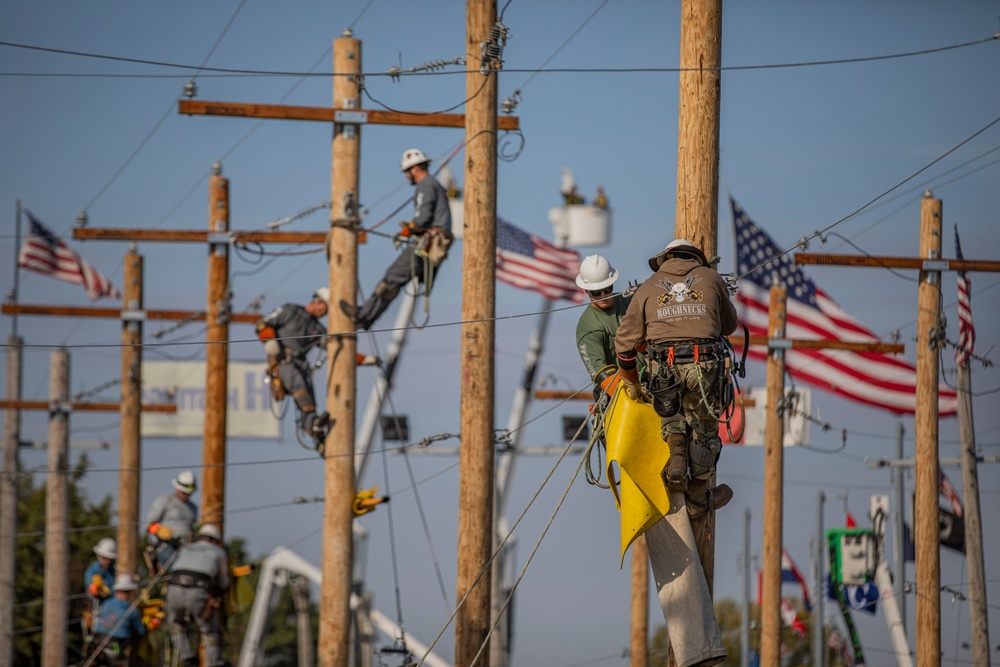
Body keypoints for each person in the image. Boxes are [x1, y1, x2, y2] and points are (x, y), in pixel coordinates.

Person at [614, 238, 738, 517]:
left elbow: (623, 345)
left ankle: (678, 459)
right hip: (702, 365)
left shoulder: (647, 288)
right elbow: (729, 326)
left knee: (671, 414)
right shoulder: (712, 278)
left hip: (662, 368)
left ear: (666, 259)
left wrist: (632, 381)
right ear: (695, 258)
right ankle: (696, 498)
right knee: (704, 429)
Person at [340, 148, 453, 331]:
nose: (407, 176)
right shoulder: (434, 185)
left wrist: (408, 230)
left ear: (415, 169)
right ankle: (368, 317)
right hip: (432, 245)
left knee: (391, 278)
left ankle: (364, 315)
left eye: (407, 172)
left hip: (427, 244)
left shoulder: (425, 185)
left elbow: (422, 219)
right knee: (394, 281)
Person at [256, 288, 331, 450]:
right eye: (326, 309)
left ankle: (315, 432)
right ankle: (313, 424)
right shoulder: (291, 311)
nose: (325, 314)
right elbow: (263, 323)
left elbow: (336, 347)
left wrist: (363, 359)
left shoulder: (317, 329)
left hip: (301, 364)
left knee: (310, 399)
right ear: (318, 302)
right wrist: (269, 339)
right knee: (299, 386)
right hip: (282, 360)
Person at [575, 254, 635, 410]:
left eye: (607, 289)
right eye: (596, 292)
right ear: (586, 290)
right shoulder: (588, 326)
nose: (603, 295)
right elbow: (602, 373)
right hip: (622, 390)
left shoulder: (632, 301)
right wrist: (633, 396)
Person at [166, 524, 230, 667]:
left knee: (176, 623)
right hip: (198, 591)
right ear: (215, 540)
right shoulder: (219, 552)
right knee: (210, 632)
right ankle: (213, 663)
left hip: (174, 589)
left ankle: (188, 658)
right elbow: (224, 583)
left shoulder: (186, 547)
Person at [144, 470, 198, 572]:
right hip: (166, 546)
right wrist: (158, 529)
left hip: (186, 548)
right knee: (178, 569)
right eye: (184, 491)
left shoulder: (193, 508)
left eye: (188, 492)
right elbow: (148, 525)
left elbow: (194, 527)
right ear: (177, 487)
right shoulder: (166, 500)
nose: (186, 494)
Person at [91, 573, 148, 666]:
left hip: (97, 644)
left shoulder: (106, 603)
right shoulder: (131, 611)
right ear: (129, 592)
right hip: (115, 648)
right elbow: (141, 631)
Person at [85, 537, 117, 605]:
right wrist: (98, 590)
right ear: (98, 556)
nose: (107, 561)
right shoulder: (92, 571)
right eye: (104, 558)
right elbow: (92, 593)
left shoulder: (115, 569)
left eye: (110, 558)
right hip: (100, 608)